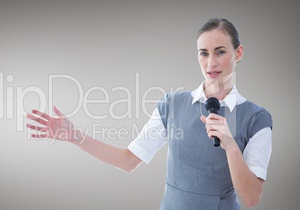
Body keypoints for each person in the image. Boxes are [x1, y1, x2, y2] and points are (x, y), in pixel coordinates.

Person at [26, 18, 273, 209]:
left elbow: (251, 198)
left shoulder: (257, 119)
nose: (211, 63)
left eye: (220, 52)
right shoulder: (173, 104)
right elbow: (128, 160)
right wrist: (73, 135)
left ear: (238, 53)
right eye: (204, 53)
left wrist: (230, 147)